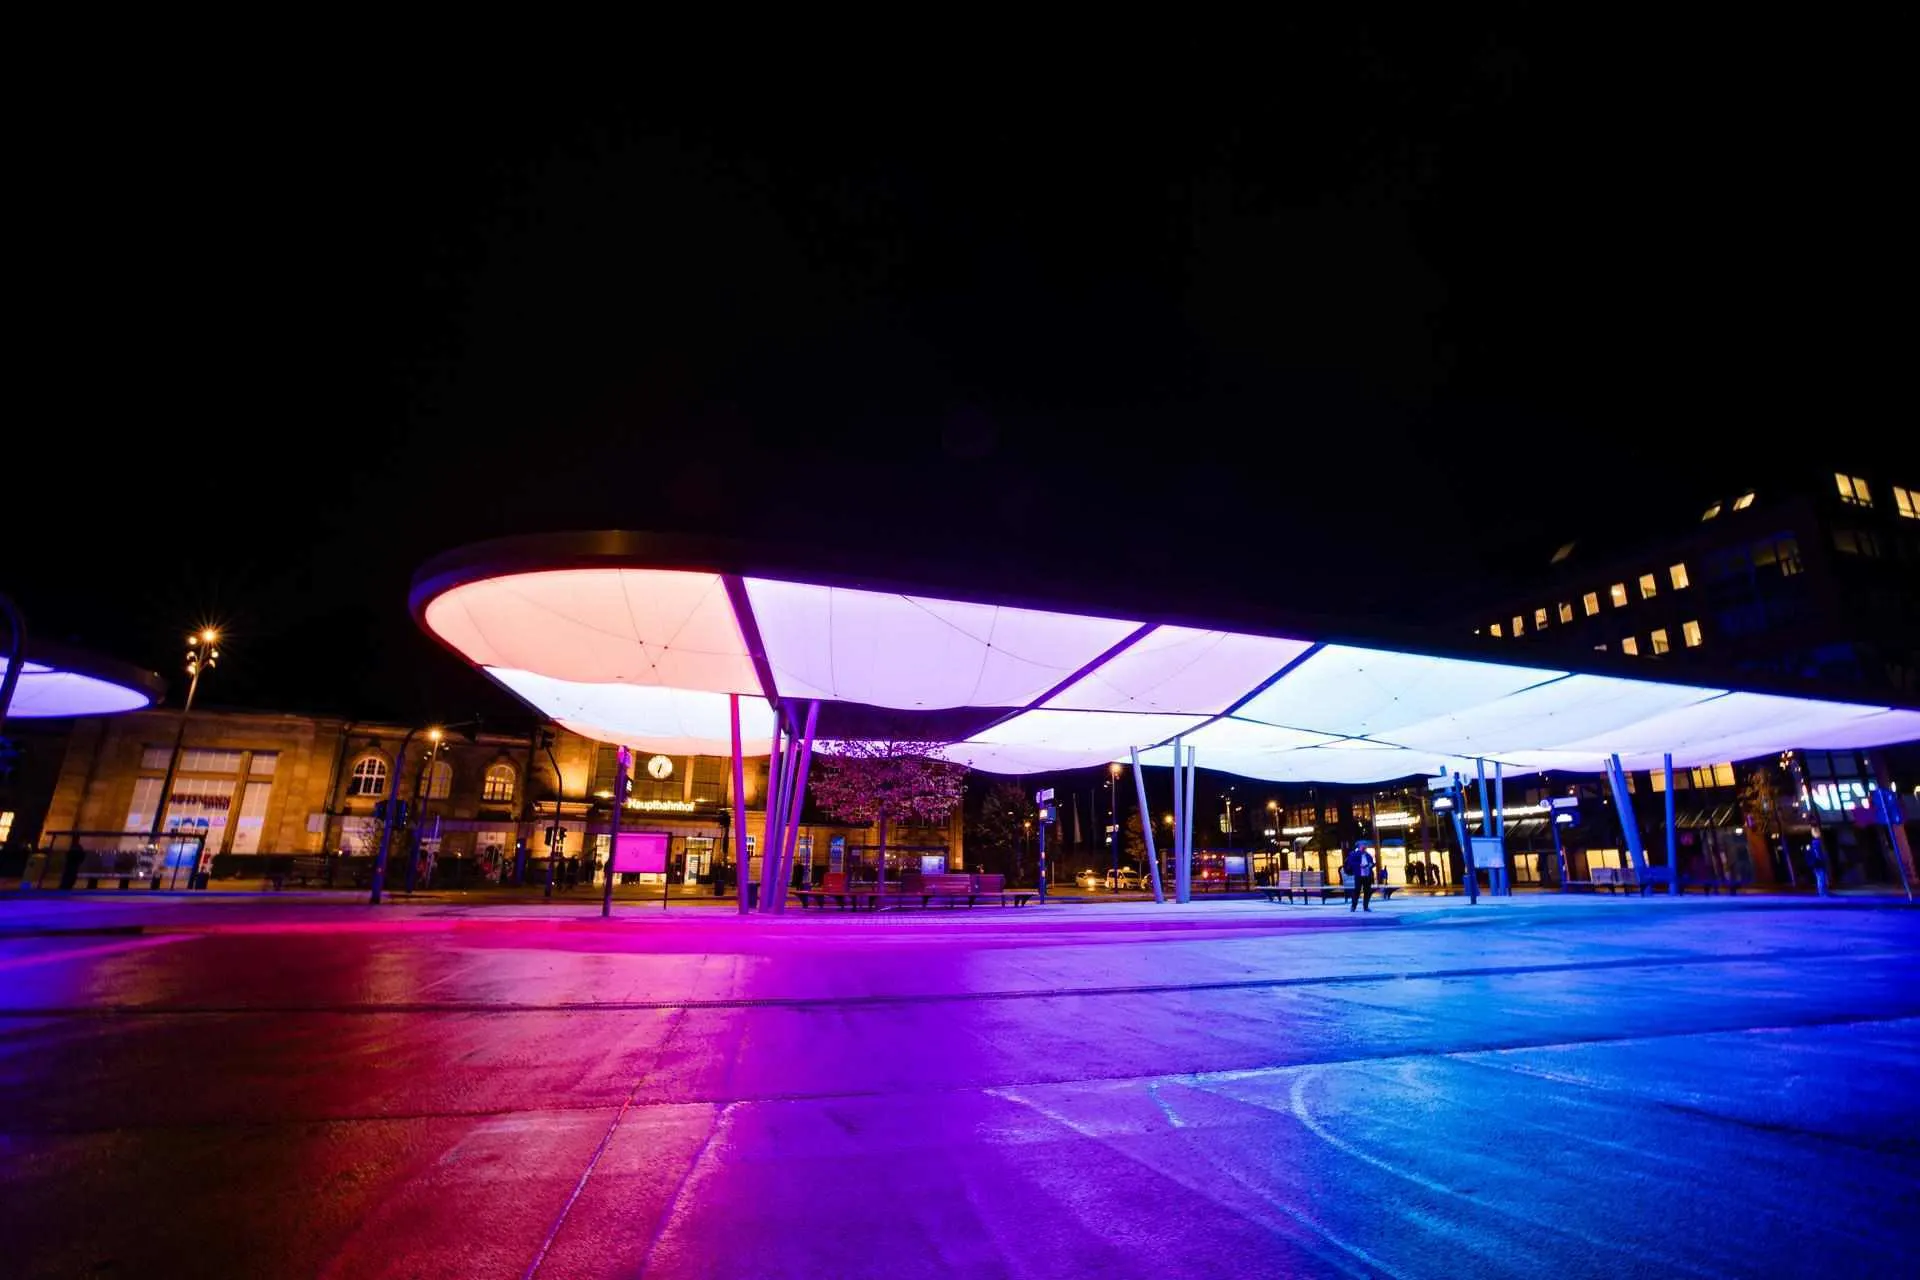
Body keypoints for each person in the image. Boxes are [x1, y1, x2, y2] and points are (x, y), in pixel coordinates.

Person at [1345, 843, 1377, 913]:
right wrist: (1359, 865)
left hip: (1367, 875)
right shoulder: (1354, 854)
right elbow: (1350, 863)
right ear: (1359, 847)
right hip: (1359, 875)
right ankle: (1353, 906)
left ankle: (1366, 907)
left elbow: (1372, 863)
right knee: (1357, 891)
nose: (1364, 847)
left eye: (1365, 846)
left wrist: (1371, 865)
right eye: (1363, 846)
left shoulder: (1368, 855)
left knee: (1367, 891)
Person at [1807, 831, 1829, 897]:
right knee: (1821, 878)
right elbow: (1814, 856)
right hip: (1817, 865)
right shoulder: (1814, 847)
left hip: (1818, 865)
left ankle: (1823, 892)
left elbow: (1822, 856)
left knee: (1821, 878)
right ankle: (1822, 893)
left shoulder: (1816, 848)